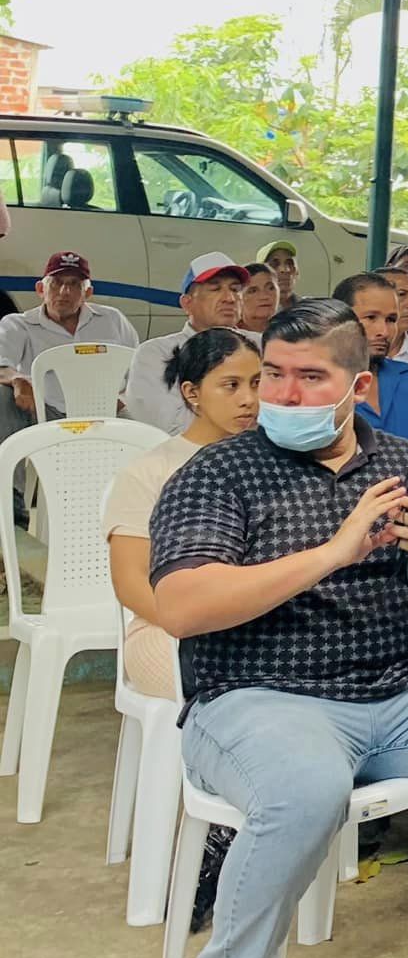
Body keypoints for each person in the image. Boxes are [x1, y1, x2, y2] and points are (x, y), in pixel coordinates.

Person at [151, 299, 408, 958]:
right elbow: (181, 605)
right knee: (305, 788)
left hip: (400, 695)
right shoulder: (220, 472)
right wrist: (333, 552)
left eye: (310, 378)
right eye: (272, 375)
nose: (282, 394)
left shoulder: (406, 464)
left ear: (359, 387)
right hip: (259, 697)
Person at [104, 330, 261, 700]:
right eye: (231, 385)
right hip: (166, 629)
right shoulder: (151, 471)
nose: (249, 399)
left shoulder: (276, 463)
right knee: (252, 690)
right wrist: (198, 622)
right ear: (192, 393)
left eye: (256, 383)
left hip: (262, 624)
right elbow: (130, 582)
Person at [0, 250, 138, 429]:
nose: (64, 292)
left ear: (87, 293)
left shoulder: (112, 320)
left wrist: (123, 398)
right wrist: (17, 379)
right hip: (44, 412)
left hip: (106, 412)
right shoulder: (18, 325)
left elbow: (138, 366)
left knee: (149, 425)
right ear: (41, 289)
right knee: (3, 394)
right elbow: (2, 364)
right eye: (56, 283)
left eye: (74, 284)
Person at [124, 252, 247, 433]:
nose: (229, 298)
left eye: (235, 289)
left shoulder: (263, 345)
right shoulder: (156, 354)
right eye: (215, 289)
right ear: (187, 303)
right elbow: (165, 425)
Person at [336, 271, 408, 441]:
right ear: (338, 319)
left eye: (391, 320)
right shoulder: (315, 387)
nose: (384, 332)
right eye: (371, 317)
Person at [235, 266, 281, 341]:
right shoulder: (230, 336)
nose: (264, 296)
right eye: (253, 291)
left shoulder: (292, 331)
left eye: (270, 288)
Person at [254, 240, 299, 312]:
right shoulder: (250, 313)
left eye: (289, 263)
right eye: (275, 264)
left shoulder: (311, 309)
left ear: (297, 272)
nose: (285, 270)